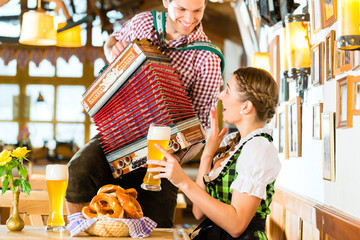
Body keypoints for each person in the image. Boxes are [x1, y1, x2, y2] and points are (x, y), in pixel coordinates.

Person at [65, 0, 223, 228]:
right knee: (79, 169)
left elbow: (200, 133)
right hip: (118, 133)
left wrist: (174, 160)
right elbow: (111, 41)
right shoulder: (142, 23)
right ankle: (82, 229)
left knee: (156, 226)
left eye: (197, 10)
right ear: (167, 2)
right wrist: (112, 53)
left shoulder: (207, 59)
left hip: (162, 153)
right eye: (181, 9)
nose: (189, 19)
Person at [147, 67, 281, 239]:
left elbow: (236, 225)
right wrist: (207, 155)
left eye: (228, 90)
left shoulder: (258, 148)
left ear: (246, 106)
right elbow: (198, 212)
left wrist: (183, 181)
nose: (220, 96)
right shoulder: (232, 144)